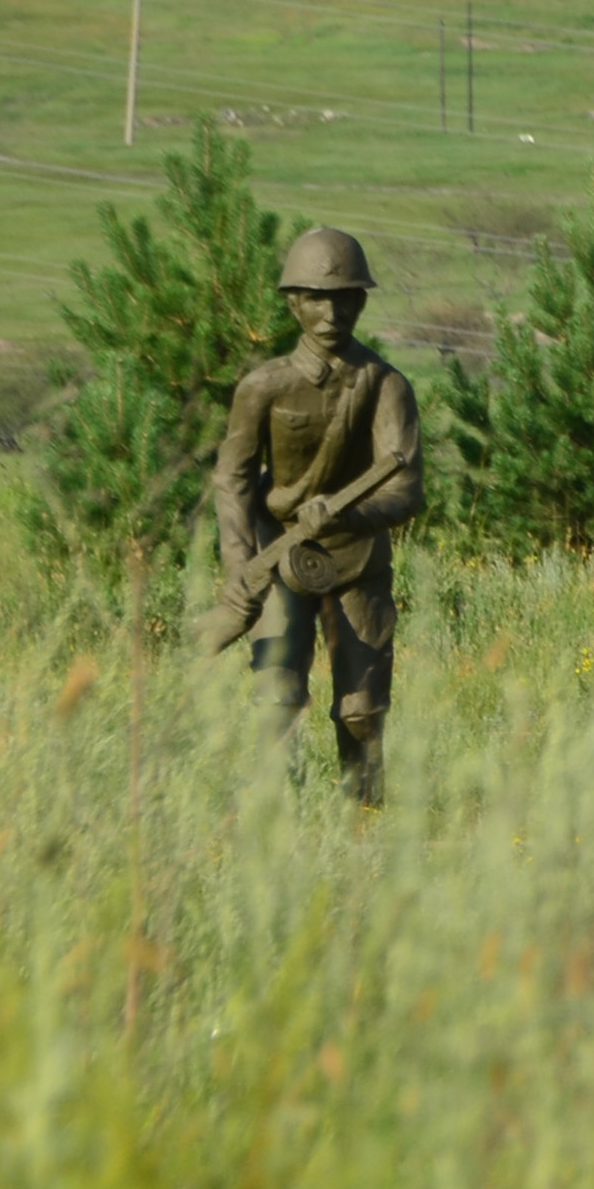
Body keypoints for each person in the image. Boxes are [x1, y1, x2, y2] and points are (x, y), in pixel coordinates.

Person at [211, 226, 426, 801]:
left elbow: (407, 489)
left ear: (361, 300)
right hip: (276, 555)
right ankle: (274, 822)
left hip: (357, 559)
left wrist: (344, 517)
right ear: (293, 302)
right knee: (275, 700)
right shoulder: (264, 387)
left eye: (343, 297)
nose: (330, 311)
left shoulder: (384, 386)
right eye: (315, 297)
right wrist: (240, 565)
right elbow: (231, 478)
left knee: (362, 710)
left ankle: (364, 820)